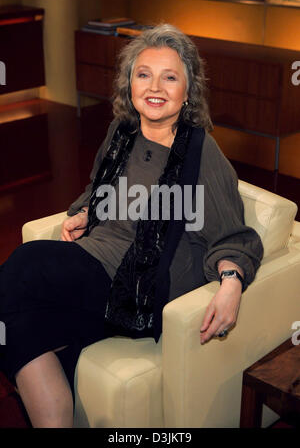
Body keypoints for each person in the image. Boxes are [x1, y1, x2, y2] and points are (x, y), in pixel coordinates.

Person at [0, 24, 263, 428]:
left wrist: (231, 283)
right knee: (18, 328)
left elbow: (234, 235)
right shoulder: (120, 132)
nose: (155, 86)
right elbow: (97, 190)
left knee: (25, 262)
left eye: (170, 76)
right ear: (130, 83)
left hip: (141, 283)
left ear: (188, 91)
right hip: (94, 261)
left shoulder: (201, 152)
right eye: (144, 74)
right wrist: (86, 212)